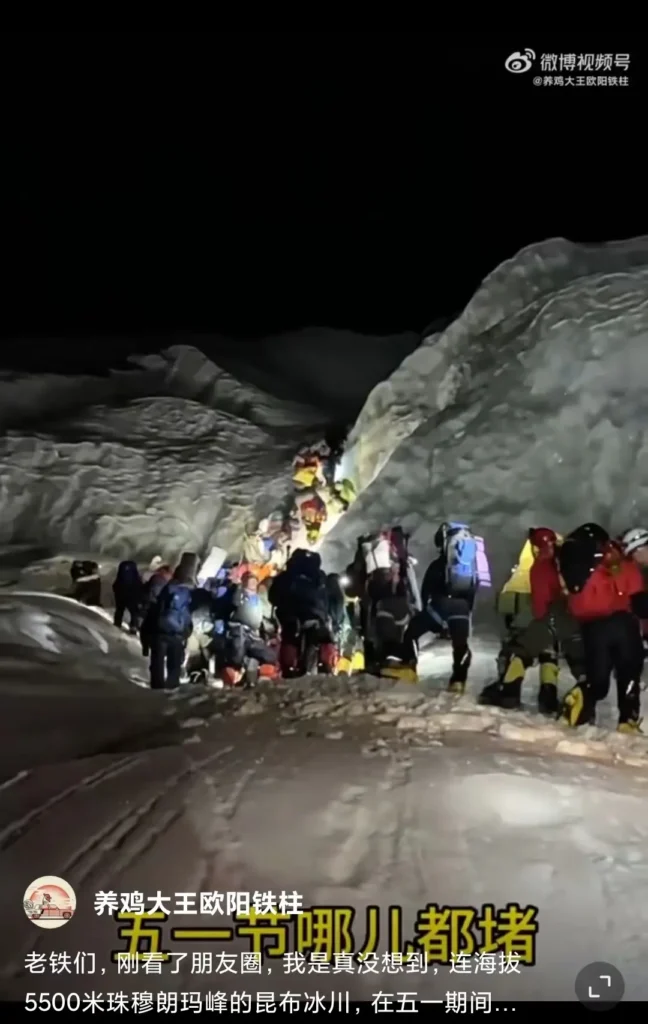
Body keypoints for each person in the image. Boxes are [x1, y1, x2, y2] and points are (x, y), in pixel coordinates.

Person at [479, 528, 584, 714]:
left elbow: (540, 603)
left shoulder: (541, 565)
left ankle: (509, 691)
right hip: (575, 615)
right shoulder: (568, 560)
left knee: (520, 650)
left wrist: (540, 621)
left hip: (549, 614)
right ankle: (558, 695)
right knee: (562, 655)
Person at [558, 524, 648, 732]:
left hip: (591, 625)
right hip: (620, 624)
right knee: (630, 668)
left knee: (598, 679)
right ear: (638, 548)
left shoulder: (600, 560)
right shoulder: (626, 565)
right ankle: (628, 720)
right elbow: (639, 605)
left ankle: (580, 701)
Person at [404, 521, 479, 693]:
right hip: (462, 609)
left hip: (440, 607)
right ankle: (458, 680)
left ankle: (408, 668)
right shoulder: (470, 567)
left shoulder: (438, 565)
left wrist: (427, 613)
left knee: (412, 631)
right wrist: (467, 611)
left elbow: (425, 591)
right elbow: (473, 589)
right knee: (460, 645)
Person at [269, 549, 336, 676]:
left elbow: (273, 596)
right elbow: (327, 597)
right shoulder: (320, 576)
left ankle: (288, 667)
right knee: (324, 638)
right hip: (316, 615)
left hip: (290, 614)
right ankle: (325, 665)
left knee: (289, 638)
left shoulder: (286, 576)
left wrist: (280, 606)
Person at [222, 572, 278, 682]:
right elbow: (234, 603)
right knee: (237, 656)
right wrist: (238, 587)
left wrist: (272, 630)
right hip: (239, 632)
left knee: (269, 656)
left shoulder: (259, 599)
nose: (252, 583)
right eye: (249, 580)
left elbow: (264, 617)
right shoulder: (239, 594)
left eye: (254, 580)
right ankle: (233, 676)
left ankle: (260, 676)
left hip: (254, 635)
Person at [148, 561, 195, 690]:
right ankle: (173, 685)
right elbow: (186, 614)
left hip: (161, 629)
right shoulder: (186, 592)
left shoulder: (165, 588)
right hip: (177, 632)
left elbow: (155, 608)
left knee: (158, 659)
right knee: (174, 662)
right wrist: (186, 631)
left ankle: (157, 685)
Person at [139, 564, 173, 657]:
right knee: (149, 628)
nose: (171, 575)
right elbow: (155, 593)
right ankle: (148, 647)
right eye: (170, 573)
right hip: (153, 606)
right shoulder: (160, 580)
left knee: (147, 628)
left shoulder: (159, 579)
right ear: (165, 572)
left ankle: (147, 646)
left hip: (152, 606)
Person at [112, 560, 143, 634]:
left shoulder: (121, 573)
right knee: (134, 612)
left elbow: (115, 585)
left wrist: (116, 591)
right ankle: (133, 627)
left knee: (119, 609)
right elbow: (139, 585)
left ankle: (117, 623)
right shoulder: (135, 576)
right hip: (132, 594)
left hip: (120, 592)